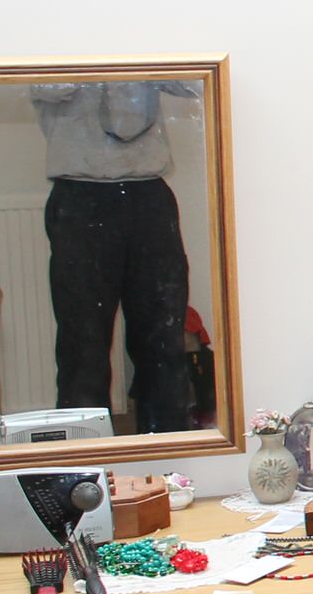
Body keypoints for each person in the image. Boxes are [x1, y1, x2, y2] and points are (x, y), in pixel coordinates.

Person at [30, 80, 201, 433]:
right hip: (79, 194)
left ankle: (173, 463)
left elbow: (196, 82)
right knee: (82, 345)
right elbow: (44, 84)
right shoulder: (50, 31)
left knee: (164, 342)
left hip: (147, 192)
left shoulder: (142, 31)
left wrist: (145, 43)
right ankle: (84, 473)